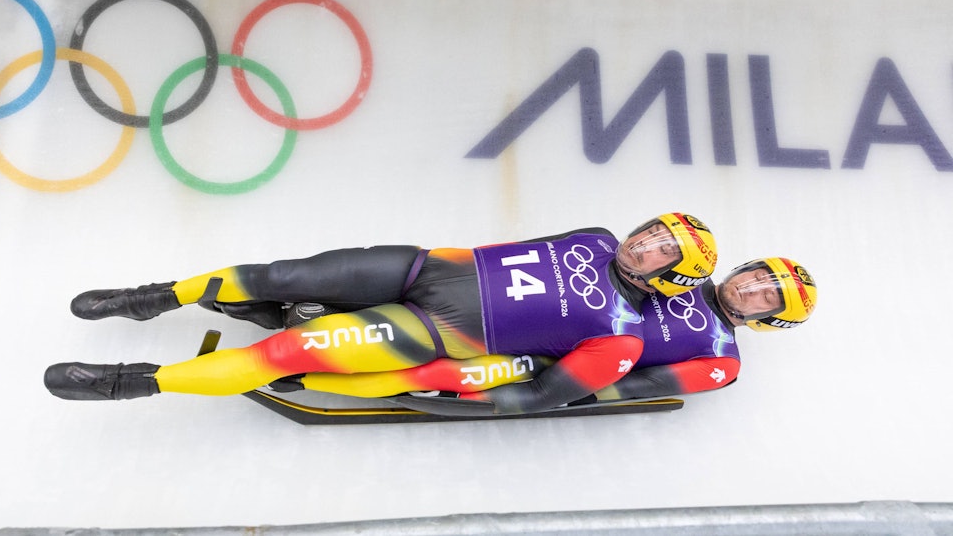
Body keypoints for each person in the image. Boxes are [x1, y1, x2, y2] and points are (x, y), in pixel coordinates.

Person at [45, 212, 718, 415]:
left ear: (672, 276)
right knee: (282, 274)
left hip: (433, 331)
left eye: (663, 250)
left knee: (285, 353)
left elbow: (539, 394)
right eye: (653, 231)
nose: (645, 243)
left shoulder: (622, 341)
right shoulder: (596, 237)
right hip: (425, 268)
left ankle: (133, 381)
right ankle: (153, 297)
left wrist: (446, 396)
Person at [278, 256, 816, 413]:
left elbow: (633, 386)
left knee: (446, 372)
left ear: (769, 319)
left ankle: (309, 376)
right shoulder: (684, 269)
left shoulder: (721, 359)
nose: (750, 288)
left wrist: (554, 393)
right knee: (438, 302)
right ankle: (325, 311)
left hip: (549, 360)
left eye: (765, 296)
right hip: (528, 309)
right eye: (756, 277)